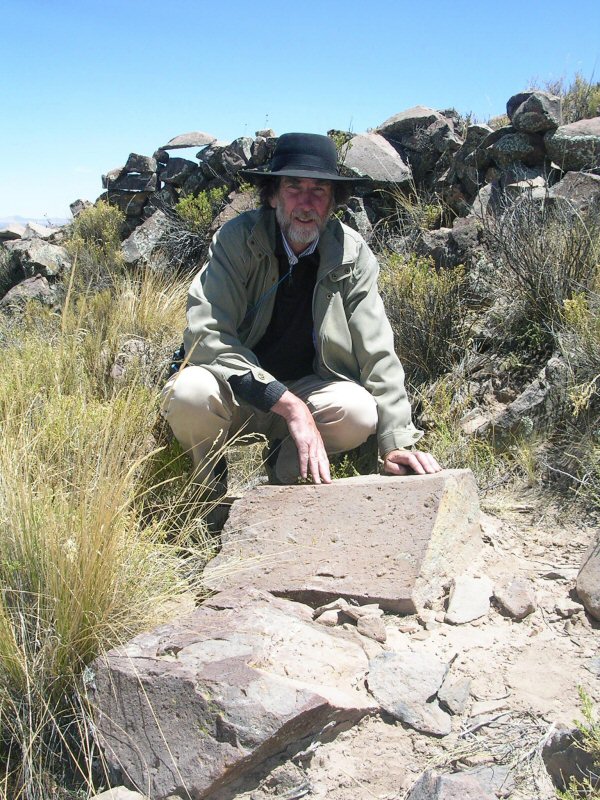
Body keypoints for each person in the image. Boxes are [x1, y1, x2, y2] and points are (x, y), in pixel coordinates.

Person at [161, 132, 441, 488]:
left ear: (333, 202)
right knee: (188, 393)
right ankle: (208, 490)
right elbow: (206, 335)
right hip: (235, 392)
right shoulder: (237, 240)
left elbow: (378, 353)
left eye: (319, 191)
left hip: (307, 391)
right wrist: (288, 405)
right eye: (294, 188)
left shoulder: (351, 255)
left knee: (357, 411)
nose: (305, 203)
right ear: (274, 195)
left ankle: (288, 476)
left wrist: (396, 442)